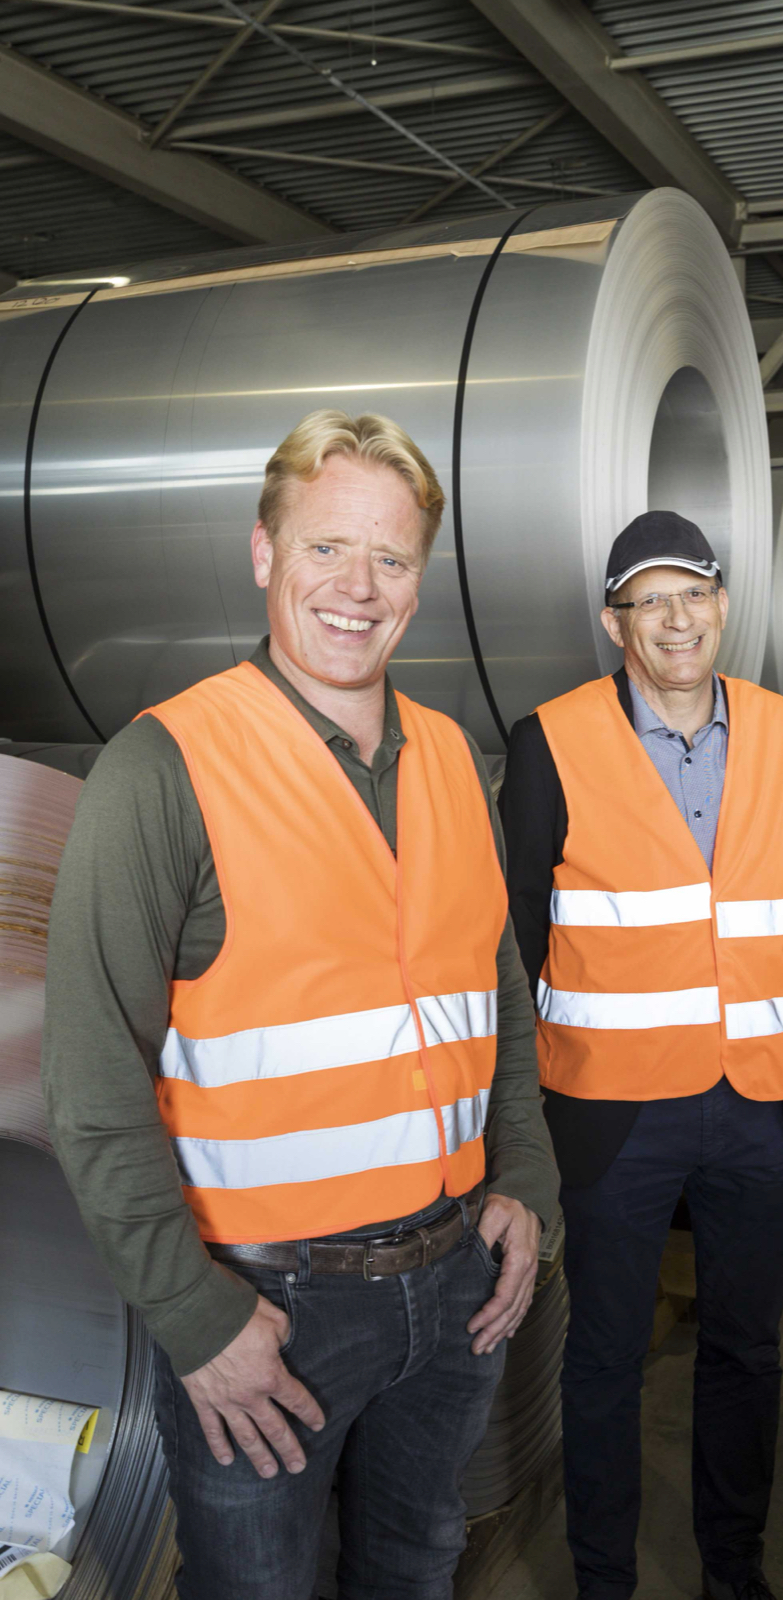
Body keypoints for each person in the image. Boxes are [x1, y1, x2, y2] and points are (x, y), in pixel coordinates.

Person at [41, 410, 558, 1600]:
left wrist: (526, 1184)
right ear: (264, 553)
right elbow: (93, 1084)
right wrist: (193, 1315)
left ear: (420, 585)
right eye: (326, 548)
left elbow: (499, 1004)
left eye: (389, 559)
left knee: (417, 1566)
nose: (357, 588)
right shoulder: (161, 769)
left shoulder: (453, 762)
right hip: (264, 1306)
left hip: (456, 1281)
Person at [500, 510, 783, 1600]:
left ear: (724, 603)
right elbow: (520, 940)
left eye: (694, 591)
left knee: (747, 1352)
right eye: (649, 598)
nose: (677, 618)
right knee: (600, 1361)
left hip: (762, 1105)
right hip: (611, 1114)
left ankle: (734, 1573)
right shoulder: (547, 740)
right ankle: (604, 1583)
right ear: (613, 621)